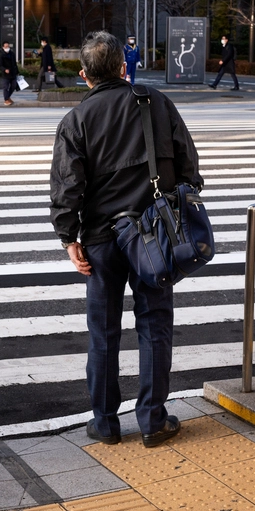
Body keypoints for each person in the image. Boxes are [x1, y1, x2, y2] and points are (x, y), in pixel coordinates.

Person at [49, 31, 201, 449]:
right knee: (155, 325)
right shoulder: (156, 103)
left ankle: (105, 423)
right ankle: (153, 420)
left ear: (84, 75)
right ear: (123, 67)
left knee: (103, 332)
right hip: (154, 236)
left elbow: (67, 187)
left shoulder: (76, 120)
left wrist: (68, 237)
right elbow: (190, 165)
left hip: (100, 239)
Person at [0, 41, 19, 106]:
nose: (7, 48)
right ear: (3, 47)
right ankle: (6, 100)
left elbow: (15, 64)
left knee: (14, 85)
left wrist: (17, 72)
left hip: (13, 73)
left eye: (8, 46)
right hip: (6, 74)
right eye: (6, 47)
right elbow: (0, 65)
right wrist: (4, 70)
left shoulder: (12, 54)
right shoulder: (1, 55)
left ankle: (8, 97)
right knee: (5, 87)